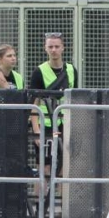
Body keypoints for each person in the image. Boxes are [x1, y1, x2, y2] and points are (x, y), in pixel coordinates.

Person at [29, 32, 78, 176]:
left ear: (63, 48)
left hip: (65, 124)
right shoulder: (39, 71)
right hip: (46, 125)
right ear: (45, 48)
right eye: (50, 47)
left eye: (57, 46)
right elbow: (34, 104)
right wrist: (37, 132)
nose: (54, 50)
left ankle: (63, 199)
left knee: (65, 168)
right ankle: (41, 199)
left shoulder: (71, 70)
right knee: (44, 169)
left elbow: (75, 100)